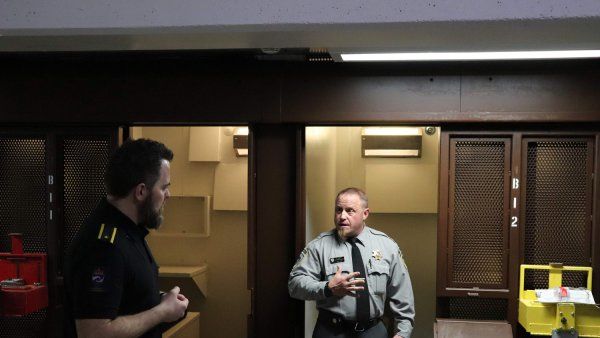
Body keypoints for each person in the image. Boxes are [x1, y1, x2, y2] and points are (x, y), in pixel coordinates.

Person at [64, 138, 189, 338]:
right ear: (140, 192)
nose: (168, 195)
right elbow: (94, 333)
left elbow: (124, 299)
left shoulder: (129, 231)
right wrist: (162, 312)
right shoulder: (103, 246)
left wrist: (162, 302)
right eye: (164, 187)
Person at [289, 187, 415, 338]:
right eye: (338, 210)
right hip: (331, 331)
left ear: (365, 214)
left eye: (350, 211)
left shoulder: (387, 246)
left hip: (373, 331)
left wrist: (403, 333)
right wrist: (327, 288)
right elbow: (294, 285)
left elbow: (403, 294)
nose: (342, 216)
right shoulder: (319, 246)